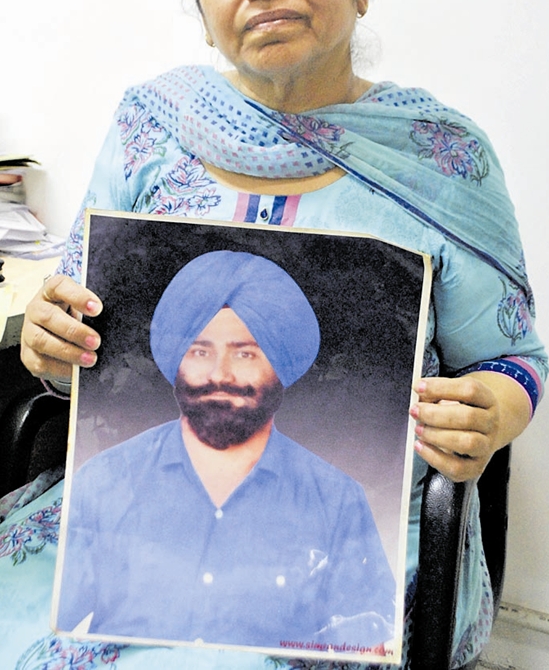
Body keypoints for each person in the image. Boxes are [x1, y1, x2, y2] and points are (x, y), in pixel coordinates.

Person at [0, 0, 545, 670]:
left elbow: (513, 359)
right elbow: (78, 349)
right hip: (117, 524)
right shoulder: (149, 127)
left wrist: (495, 406)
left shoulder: (442, 156)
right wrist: (52, 344)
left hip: (345, 547)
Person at [56, 250, 396, 651]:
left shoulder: (337, 501)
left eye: (245, 353)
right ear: (177, 361)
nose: (220, 374)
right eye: (200, 351)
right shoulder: (105, 480)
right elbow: (44, 619)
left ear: (281, 366)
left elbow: (369, 638)